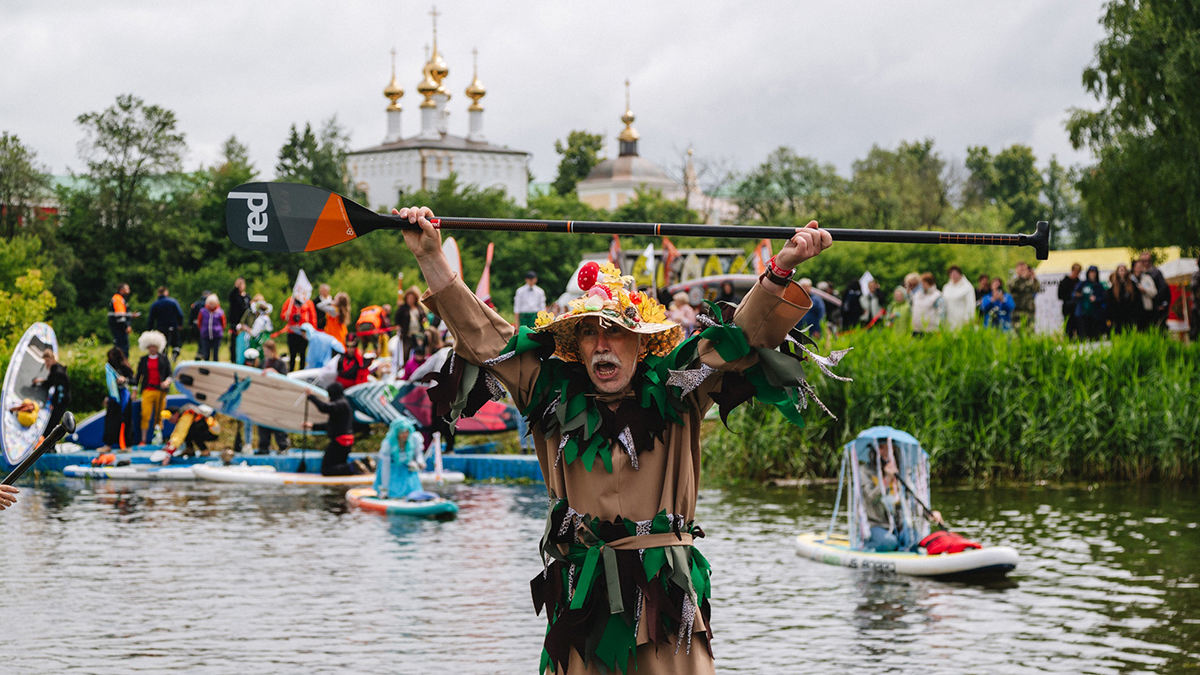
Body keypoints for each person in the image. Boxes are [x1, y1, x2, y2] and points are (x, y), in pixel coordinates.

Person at [394, 203, 837, 674]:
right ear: (577, 346)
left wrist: (779, 268)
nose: (603, 344)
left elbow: (739, 336)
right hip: (582, 606)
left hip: (663, 607)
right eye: (590, 333)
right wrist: (430, 257)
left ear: (642, 342)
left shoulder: (681, 386)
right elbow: (487, 336)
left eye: (618, 332)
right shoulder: (545, 392)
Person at [861, 445, 942, 552]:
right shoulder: (865, 471)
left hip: (899, 525)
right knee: (889, 542)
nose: (886, 451)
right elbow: (871, 497)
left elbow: (912, 499)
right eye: (881, 447)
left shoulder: (901, 472)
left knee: (914, 539)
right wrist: (888, 478)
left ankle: (905, 554)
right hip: (876, 525)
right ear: (874, 450)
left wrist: (929, 514)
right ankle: (867, 545)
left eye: (889, 447)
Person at [304, 383, 364, 476]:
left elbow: (324, 408)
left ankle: (352, 467)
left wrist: (311, 396)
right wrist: (312, 426)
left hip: (340, 440)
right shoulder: (344, 405)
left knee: (326, 469)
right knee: (338, 465)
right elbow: (331, 425)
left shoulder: (341, 404)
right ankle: (361, 464)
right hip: (346, 439)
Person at [134, 331, 172, 444]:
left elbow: (170, 374)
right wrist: (135, 391)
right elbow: (138, 376)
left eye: (154, 346)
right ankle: (143, 439)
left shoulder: (164, 359)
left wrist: (166, 382)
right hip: (147, 389)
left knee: (159, 415)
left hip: (160, 390)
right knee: (145, 414)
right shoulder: (143, 360)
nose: (152, 349)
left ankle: (158, 438)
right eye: (150, 346)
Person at [375, 415, 425, 499]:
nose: (405, 434)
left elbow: (418, 454)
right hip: (392, 472)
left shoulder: (414, 439)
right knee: (392, 493)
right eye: (401, 432)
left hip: (407, 471)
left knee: (413, 491)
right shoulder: (388, 444)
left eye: (406, 431)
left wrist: (420, 462)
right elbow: (385, 467)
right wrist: (384, 488)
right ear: (396, 432)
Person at [99, 347, 136, 452]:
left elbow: (133, 380)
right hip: (114, 397)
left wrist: (125, 379)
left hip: (124, 397)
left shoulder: (125, 367)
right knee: (110, 421)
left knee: (126, 420)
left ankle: (127, 445)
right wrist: (107, 396)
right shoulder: (109, 368)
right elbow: (110, 385)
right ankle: (108, 444)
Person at [32, 348, 71, 432]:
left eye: (48, 361)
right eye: (45, 361)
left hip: (61, 401)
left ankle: (50, 442)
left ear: (52, 359)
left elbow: (61, 390)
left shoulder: (58, 372)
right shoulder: (56, 369)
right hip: (62, 399)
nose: (47, 363)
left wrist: (55, 404)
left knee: (52, 425)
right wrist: (41, 380)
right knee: (52, 423)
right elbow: (51, 382)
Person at [281, 286, 317, 371]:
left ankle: (302, 370)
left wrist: (313, 331)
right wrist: (290, 315)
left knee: (303, 354)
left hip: (304, 333)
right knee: (292, 354)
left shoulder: (308, 302)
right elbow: (283, 316)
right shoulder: (290, 301)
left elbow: (313, 318)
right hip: (292, 331)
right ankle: (291, 370)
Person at [147, 286, 185, 361]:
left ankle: (163, 359)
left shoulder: (155, 304)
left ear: (158, 293)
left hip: (160, 327)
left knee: (162, 345)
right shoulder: (173, 302)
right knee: (176, 343)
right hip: (173, 326)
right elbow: (180, 314)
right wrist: (180, 324)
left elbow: (151, 318)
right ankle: (174, 355)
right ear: (166, 292)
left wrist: (150, 330)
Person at [394, 286, 428, 362]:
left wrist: (424, 320)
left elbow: (423, 316)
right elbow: (397, 318)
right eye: (409, 298)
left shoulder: (419, 307)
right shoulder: (403, 308)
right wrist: (398, 326)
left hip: (418, 334)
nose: (410, 300)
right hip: (407, 334)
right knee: (406, 351)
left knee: (418, 351)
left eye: (412, 298)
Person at [1074, 265, 1108, 340]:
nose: (1092, 275)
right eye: (1090, 273)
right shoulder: (1082, 284)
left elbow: (1104, 298)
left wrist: (1096, 299)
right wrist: (1078, 295)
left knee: (1094, 337)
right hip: (1083, 314)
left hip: (1094, 315)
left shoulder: (1099, 286)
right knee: (1083, 336)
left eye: (1094, 273)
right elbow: (1074, 294)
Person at [1107, 264, 1140, 334]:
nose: (1122, 272)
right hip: (1118, 315)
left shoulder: (1132, 284)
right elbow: (1111, 302)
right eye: (1120, 271)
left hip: (1130, 314)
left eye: (1123, 270)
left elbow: (1136, 299)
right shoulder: (1114, 287)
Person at [108, 283, 138, 356]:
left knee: (120, 346)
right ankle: (122, 364)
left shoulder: (119, 298)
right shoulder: (118, 299)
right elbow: (120, 316)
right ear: (121, 289)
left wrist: (130, 315)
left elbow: (122, 313)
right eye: (127, 289)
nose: (129, 291)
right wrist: (126, 326)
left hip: (118, 326)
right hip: (119, 327)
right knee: (122, 348)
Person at [942, 265, 976, 330]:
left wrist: (968, 319)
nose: (954, 275)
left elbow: (970, 304)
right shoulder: (946, 287)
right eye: (951, 273)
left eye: (956, 273)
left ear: (960, 274)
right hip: (948, 319)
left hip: (961, 319)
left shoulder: (967, 287)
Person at [1009, 261, 1040, 332]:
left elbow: (1037, 289)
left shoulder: (1029, 281)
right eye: (1022, 269)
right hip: (1018, 312)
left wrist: (1034, 278)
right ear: (1017, 270)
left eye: (1025, 269)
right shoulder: (1014, 280)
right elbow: (1014, 287)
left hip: (1029, 311)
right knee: (1018, 332)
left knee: (1030, 332)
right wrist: (1022, 278)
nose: (1024, 272)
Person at [196, 294, 226, 361]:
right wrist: (202, 330)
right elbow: (199, 322)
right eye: (210, 303)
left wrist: (219, 330)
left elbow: (223, 324)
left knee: (215, 353)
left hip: (216, 335)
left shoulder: (220, 312)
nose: (212, 305)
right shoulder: (203, 311)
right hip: (205, 335)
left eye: (213, 303)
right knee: (206, 353)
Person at [227, 277, 250, 362]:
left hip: (245, 324)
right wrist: (236, 287)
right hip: (235, 324)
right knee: (234, 344)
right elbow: (231, 296)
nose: (240, 286)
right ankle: (233, 360)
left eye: (242, 284)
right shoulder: (234, 296)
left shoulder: (247, 297)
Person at [1057, 263, 1082, 338]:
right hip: (1068, 307)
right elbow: (1060, 295)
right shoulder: (1065, 282)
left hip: (1076, 308)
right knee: (1069, 327)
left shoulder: (1078, 282)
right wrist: (1071, 295)